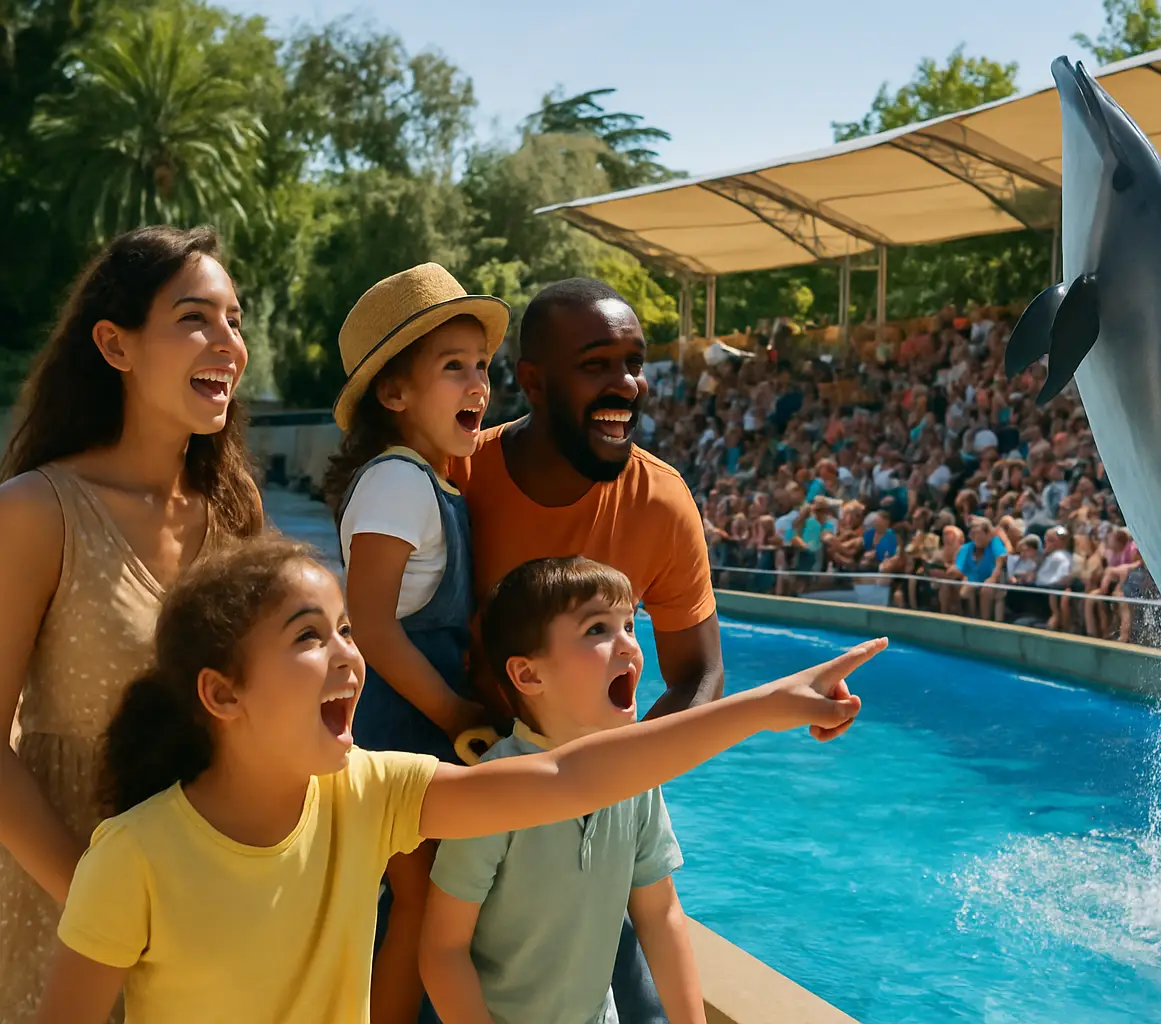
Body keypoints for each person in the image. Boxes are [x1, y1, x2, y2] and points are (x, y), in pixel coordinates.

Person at [34, 538, 881, 1023]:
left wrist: (765, 707)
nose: (349, 658)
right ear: (221, 694)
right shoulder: (132, 859)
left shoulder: (371, 791)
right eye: (308, 638)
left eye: (345, 630)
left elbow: (562, 775)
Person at [0, 226, 261, 1022]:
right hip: (62, 907)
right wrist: (102, 909)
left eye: (235, 321)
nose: (228, 344)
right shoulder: (36, 513)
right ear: (115, 345)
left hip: (208, 906)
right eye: (195, 319)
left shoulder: (235, 512)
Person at [449, 279, 723, 1021]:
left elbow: (699, 674)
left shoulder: (662, 501)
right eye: (597, 363)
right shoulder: (459, 476)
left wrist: (614, 776)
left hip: (597, 816)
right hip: (467, 796)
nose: (625, 384)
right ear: (533, 381)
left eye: (634, 362)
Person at [321, 264, 508, 1024]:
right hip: (398, 733)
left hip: (418, 734)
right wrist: (458, 709)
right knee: (422, 900)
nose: (478, 384)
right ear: (394, 395)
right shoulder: (398, 484)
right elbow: (368, 624)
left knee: (423, 902)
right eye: (453, 367)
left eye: (483, 367)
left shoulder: (430, 481)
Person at [421, 556, 701, 1024]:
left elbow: (661, 915)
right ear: (529, 675)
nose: (629, 645)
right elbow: (442, 950)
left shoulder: (634, 779)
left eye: (630, 625)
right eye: (598, 630)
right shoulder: (495, 793)